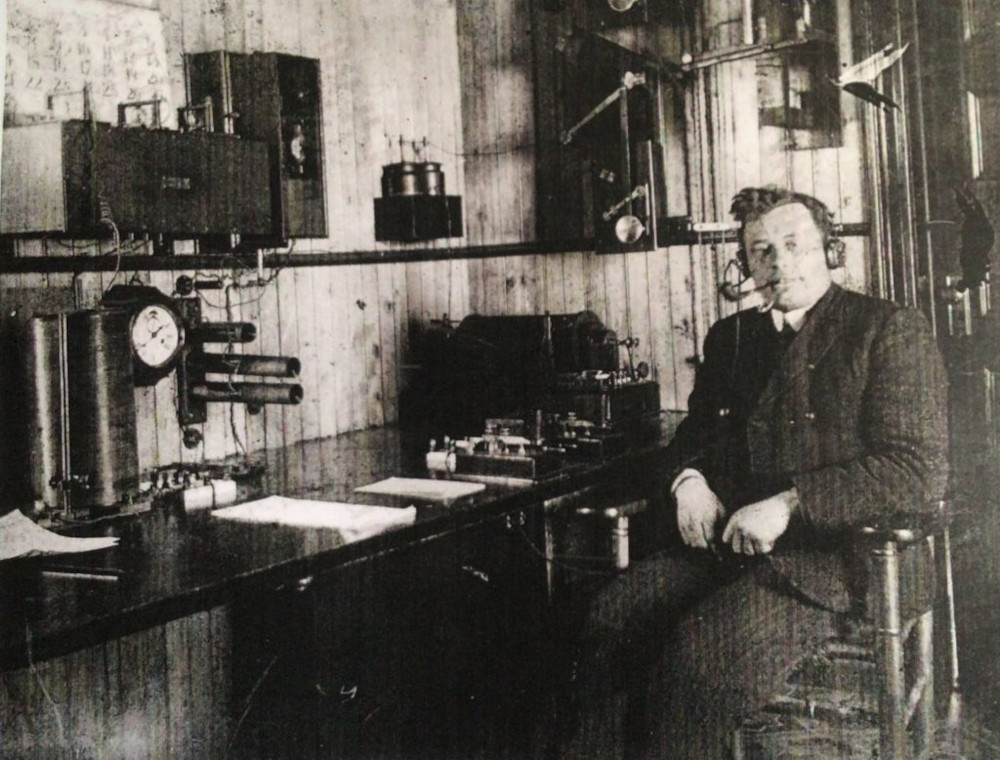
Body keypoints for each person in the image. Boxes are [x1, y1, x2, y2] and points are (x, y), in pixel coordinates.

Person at [554, 186, 949, 759]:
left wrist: (789, 504)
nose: (779, 262)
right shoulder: (732, 339)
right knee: (609, 620)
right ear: (747, 264)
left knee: (697, 663)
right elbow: (694, 438)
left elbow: (916, 469)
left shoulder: (887, 330)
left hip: (839, 561)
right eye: (762, 250)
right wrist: (687, 482)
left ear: (830, 252)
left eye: (794, 245)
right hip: (730, 550)